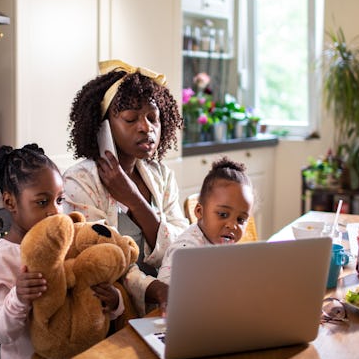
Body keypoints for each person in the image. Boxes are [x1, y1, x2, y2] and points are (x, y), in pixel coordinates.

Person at [0, 144, 124, 359]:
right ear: (10, 202)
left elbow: (85, 306)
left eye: (59, 200)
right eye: (42, 202)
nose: (55, 211)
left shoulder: (68, 244)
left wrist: (114, 302)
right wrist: (19, 297)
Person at [63, 59, 189, 316]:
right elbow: (102, 258)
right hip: (110, 314)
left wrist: (134, 200)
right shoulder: (80, 181)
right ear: (103, 126)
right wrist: (154, 289)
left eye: (153, 118)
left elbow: (183, 248)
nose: (146, 128)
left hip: (165, 308)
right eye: (131, 119)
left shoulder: (162, 176)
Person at [157, 157, 255, 286]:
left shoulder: (223, 244)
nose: (232, 225)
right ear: (199, 212)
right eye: (223, 214)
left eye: (240, 219)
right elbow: (167, 292)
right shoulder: (185, 249)